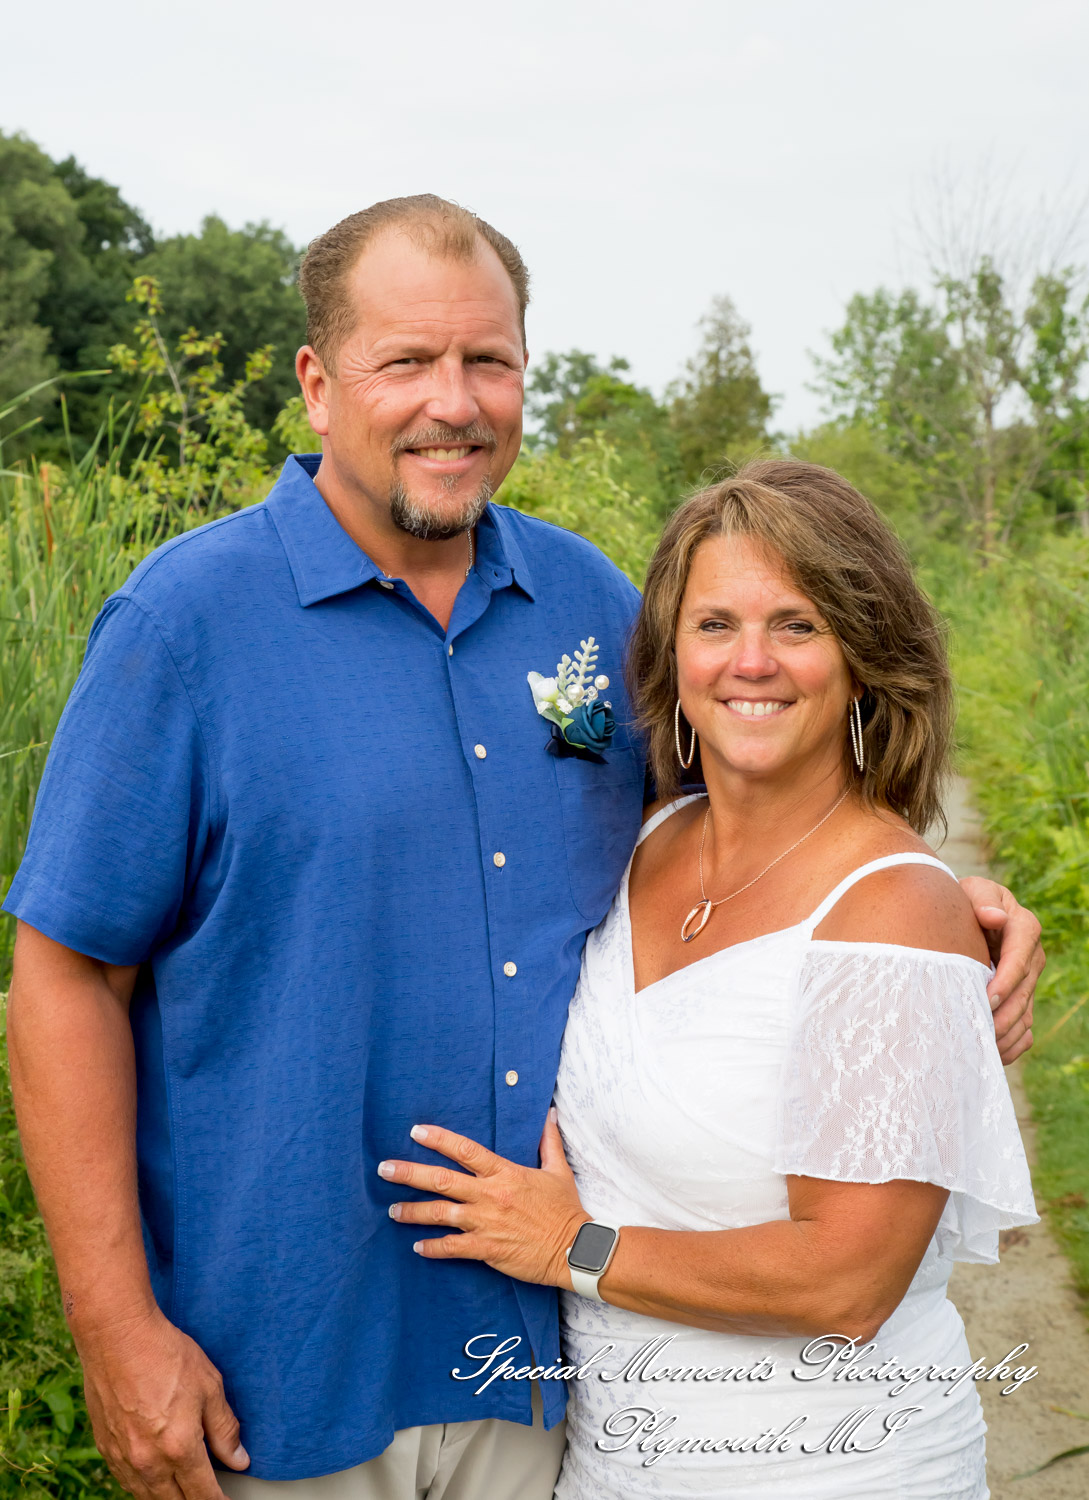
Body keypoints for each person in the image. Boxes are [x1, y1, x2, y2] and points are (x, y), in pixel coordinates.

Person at [3, 195, 1039, 1500]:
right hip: (276, 1376)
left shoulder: (599, 610)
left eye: (487, 360)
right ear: (320, 386)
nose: (454, 401)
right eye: (407, 363)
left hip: (547, 1376)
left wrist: (947, 912)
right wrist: (115, 1329)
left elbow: (773, 824)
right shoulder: (184, 627)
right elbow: (60, 978)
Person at [378, 460, 1039, 1499]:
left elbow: (848, 1283)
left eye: (799, 625)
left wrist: (571, 1244)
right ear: (672, 659)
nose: (753, 663)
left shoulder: (896, 913)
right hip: (616, 1464)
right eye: (716, 624)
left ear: (866, 659)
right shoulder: (643, 839)